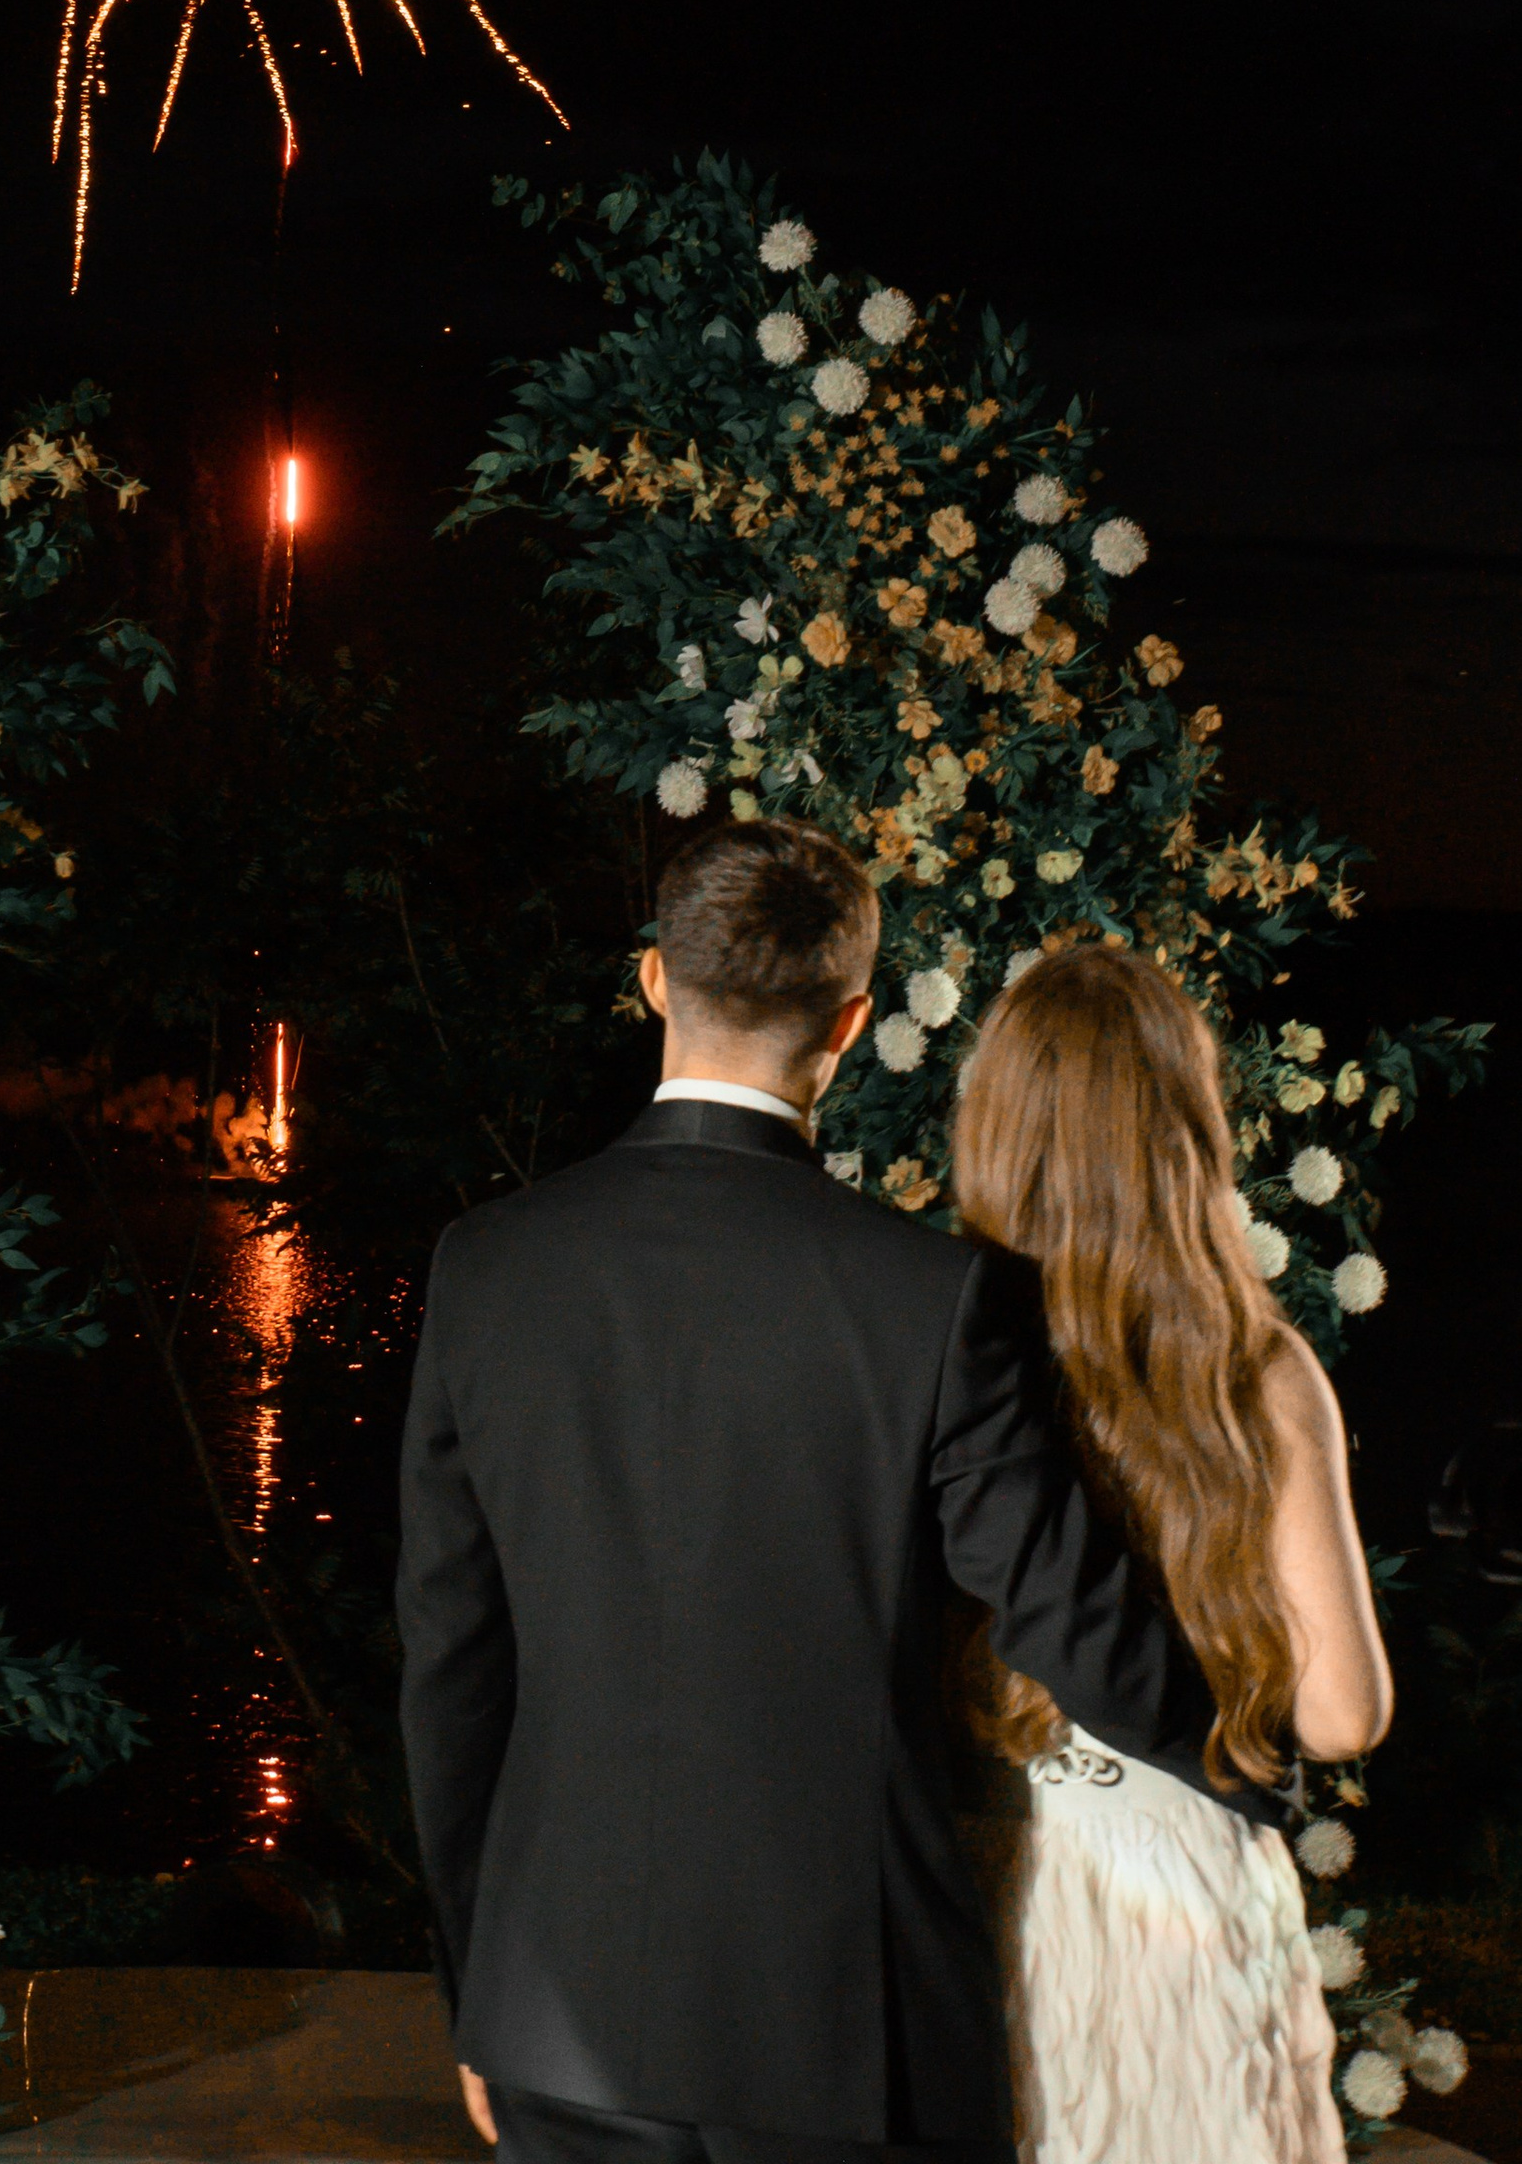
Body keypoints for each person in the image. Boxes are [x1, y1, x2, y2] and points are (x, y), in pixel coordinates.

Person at [397, 817, 1227, 2164]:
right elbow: (1067, 1620)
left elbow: (448, 1662)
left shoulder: (488, 1266)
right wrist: (1244, 1758)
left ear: (655, 979)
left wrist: (475, 1986)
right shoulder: (935, 1299)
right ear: (848, 1020)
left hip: (555, 2005)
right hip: (850, 2024)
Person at [950, 946, 1390, 2164]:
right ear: (1186, 1128)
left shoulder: (955, 1361)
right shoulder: (1254, 1368)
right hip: (1191, 1878)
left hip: (1006, 1873)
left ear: (997, 1129)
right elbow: (1344, 1712)